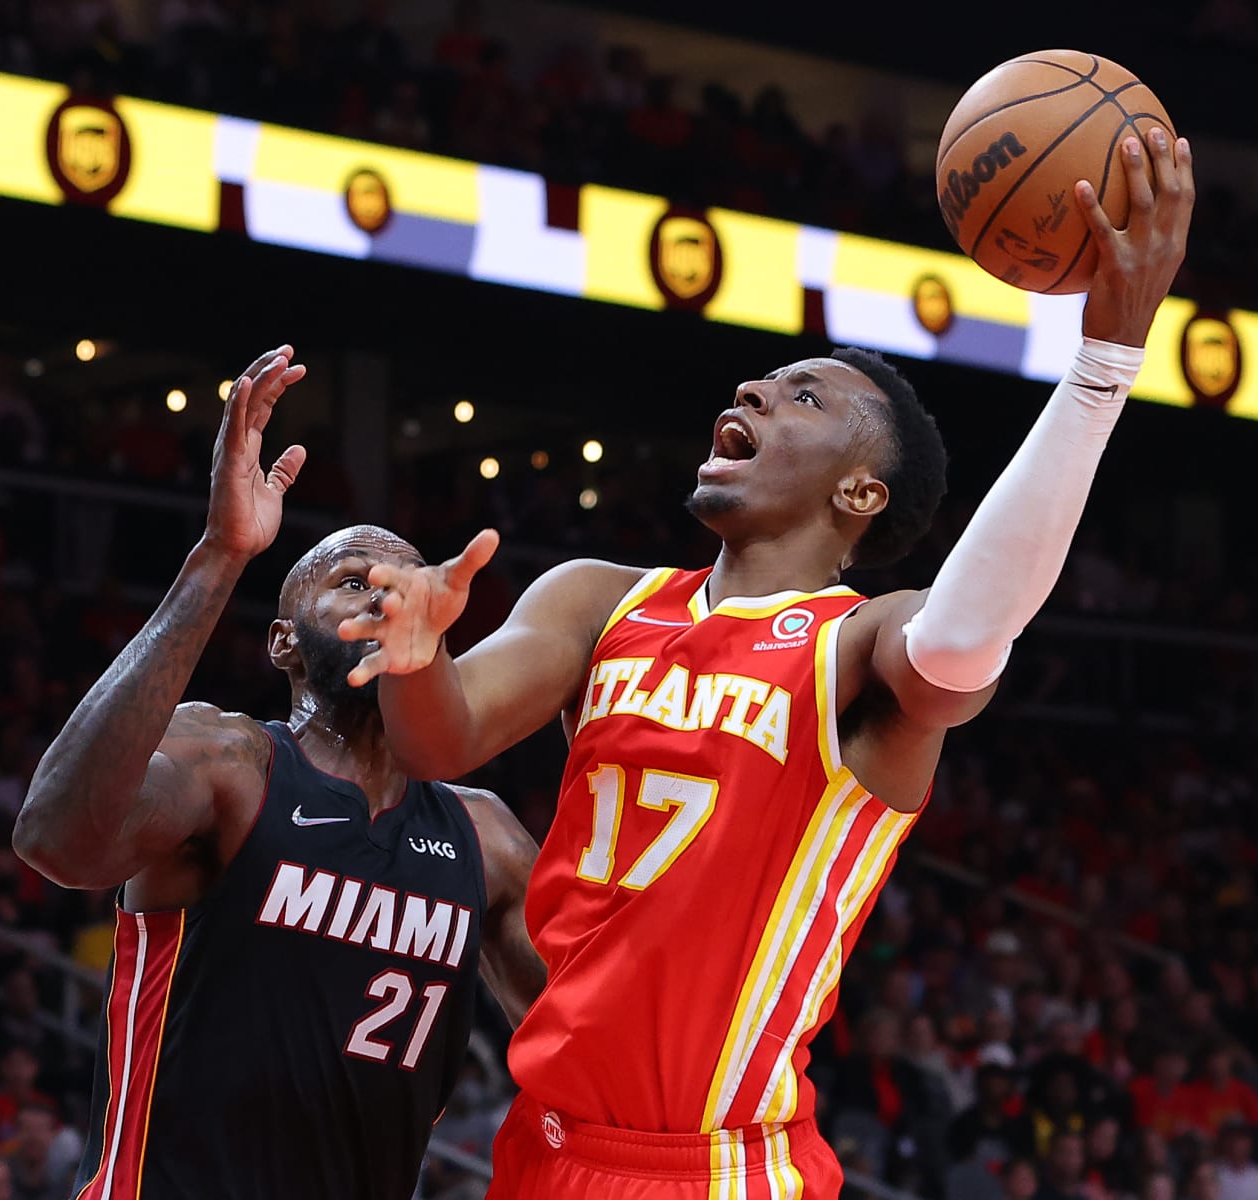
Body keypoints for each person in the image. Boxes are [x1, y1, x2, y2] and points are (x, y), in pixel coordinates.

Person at [341, 128, 1194, 1196]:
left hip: (722, 1171)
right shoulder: (601, 599)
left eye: (803, 397)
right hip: (547, 1150)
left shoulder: (862, 645)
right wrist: (419, 657)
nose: (751, 390)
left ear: (861, 493)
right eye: (763, 381)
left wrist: (1101, 366)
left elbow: (971, 631)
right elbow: (442, 737)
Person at [12, 347, 546, 1200]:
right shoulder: (229, 763)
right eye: (351, 581)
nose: (384, 595)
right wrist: (223, 554)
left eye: (402, 584)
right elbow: (56, 840)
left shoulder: (483, 836)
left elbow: (581, 1046)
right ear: (284, 643)